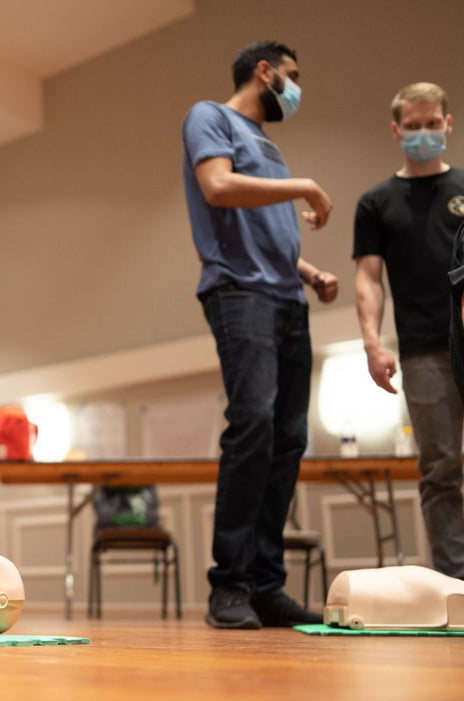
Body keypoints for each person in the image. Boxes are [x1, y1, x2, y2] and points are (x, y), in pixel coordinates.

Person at [181, 41, 338, 629]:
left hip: (285, 296)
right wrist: (305, 186)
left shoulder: (268, 147)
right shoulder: (211, 117)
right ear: (265, 71)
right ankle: (230, 586)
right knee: (254, 425)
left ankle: (266, 585)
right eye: (291, 77)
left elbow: (263, 233)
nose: (294, 89)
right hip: (238, 294)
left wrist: (310, 272)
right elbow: (218, 188)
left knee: (289, 437)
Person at [354, 82, 464, 580]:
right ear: (397, 131)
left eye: (431, 123)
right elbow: (368, 279)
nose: (424, 132)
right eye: (413, 126)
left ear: (448, 124)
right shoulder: (376, 203)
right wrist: (373, 343)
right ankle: (457, 583)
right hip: (422, 352)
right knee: (440, 470)